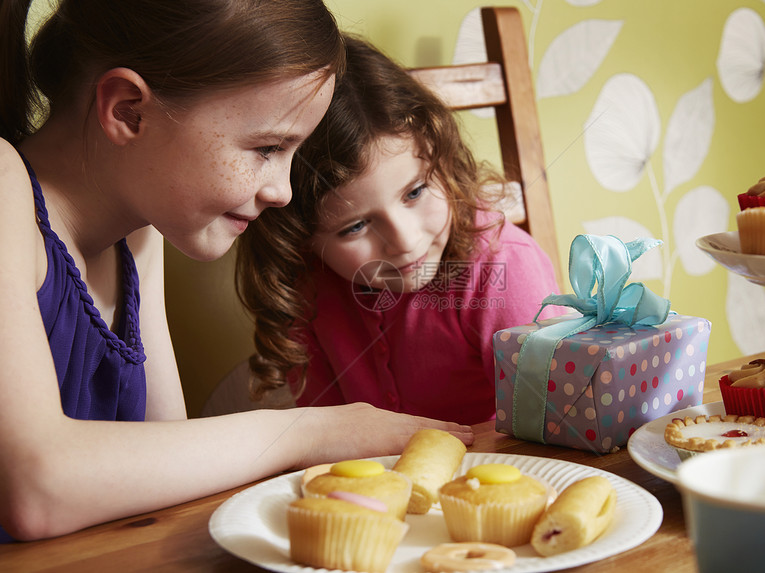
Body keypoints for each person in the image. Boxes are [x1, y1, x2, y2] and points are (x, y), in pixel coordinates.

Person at [0, 0, 472, 543]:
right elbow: (35, 489)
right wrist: (312, 432)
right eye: (267, 147)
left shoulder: (138, 234)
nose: (283, 191)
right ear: (128, 111)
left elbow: (167, 458)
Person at [235, 36, 564, 426]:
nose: (406, 242)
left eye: (416, 191)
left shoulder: (501, 265)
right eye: (355, 226)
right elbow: (326, 436)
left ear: (440, 159)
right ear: (302, 238)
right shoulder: (307, 286)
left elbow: (555, 420)